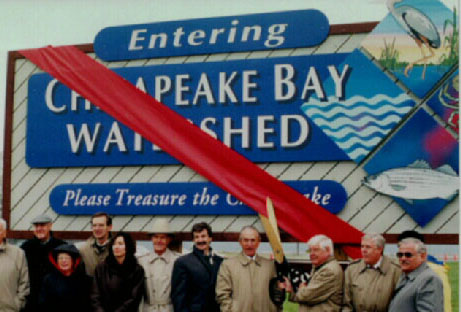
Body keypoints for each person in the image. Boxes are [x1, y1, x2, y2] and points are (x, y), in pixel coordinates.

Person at [216, 225, 284, 312]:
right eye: (246, 240)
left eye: (253, 240)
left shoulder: (269, 265)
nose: (249, 244)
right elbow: (222, 295)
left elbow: (277, 295)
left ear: (259, 242)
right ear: (240, 242)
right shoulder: (228, 265)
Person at [171, 222, 223, 312]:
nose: (200, 240)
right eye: (196, 237)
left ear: (210, 238)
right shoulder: (183, 262)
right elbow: (179, 298)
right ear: (193, 240)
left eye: (203, 236)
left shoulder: (220, 262)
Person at [283, 234, 343, 312]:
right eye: (310, 250)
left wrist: (302, 289)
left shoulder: (329, 271)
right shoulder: (320, 267)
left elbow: (305, 296)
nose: (311, 254)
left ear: (328, 250)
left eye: (316, 250)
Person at [342, 233, 401, 312]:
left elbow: (399, 303)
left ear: (380, 249)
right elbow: (346, 303)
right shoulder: (352, 269)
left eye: (368, 247)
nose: (364, 250)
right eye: (362, 246)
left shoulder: (395, 270)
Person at [398, 230, 452, 312]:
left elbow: (442, 302)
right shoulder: (410, 269)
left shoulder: (433, 273)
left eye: (408, 254)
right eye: (401, 253)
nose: (403, 257)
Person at [21, 214, 65, 312]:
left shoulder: (61, 247)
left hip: (55, 299)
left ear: (50, 226)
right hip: (32, 300)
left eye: (43, 225)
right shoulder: (26, 248)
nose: (39, 228)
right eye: (36, 226)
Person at [91, 231, 145, 312]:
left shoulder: (137, 269)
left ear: (128, 246)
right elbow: (95, 295)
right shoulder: (101, 268)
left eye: (120, 244)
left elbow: (134, 298)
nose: (116, 247)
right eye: (114, 244)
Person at [388, 237, 444, 312]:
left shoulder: (429, 280)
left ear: (422, 256)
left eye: (408, 255)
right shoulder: (406, 276)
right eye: (400, 255)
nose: (403, 258)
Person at [138, 218, 181, 312]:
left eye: (163, 237)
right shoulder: (141, 261)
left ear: (169, 240)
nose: (159, 241)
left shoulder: (178, 261)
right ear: (151, 239)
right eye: (156, 237)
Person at [38, 244, 91, 312]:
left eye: (67, 257)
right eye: (60, 258)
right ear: (56, 261)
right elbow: (43, 303)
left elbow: (87, 305)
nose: (63, 260)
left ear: (73, 260)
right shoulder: (48, 279)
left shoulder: (84, 280)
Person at [0, 218, 29, 311]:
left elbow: (24, 283)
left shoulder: (18, 253)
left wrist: (17, 304)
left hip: (9, 310)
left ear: (4, 233)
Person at [78, 212, 113, 276]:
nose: (97, 228)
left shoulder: (117, 248)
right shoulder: (83, 250)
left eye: (101, 225)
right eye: (94, 225)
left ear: (109, 227)